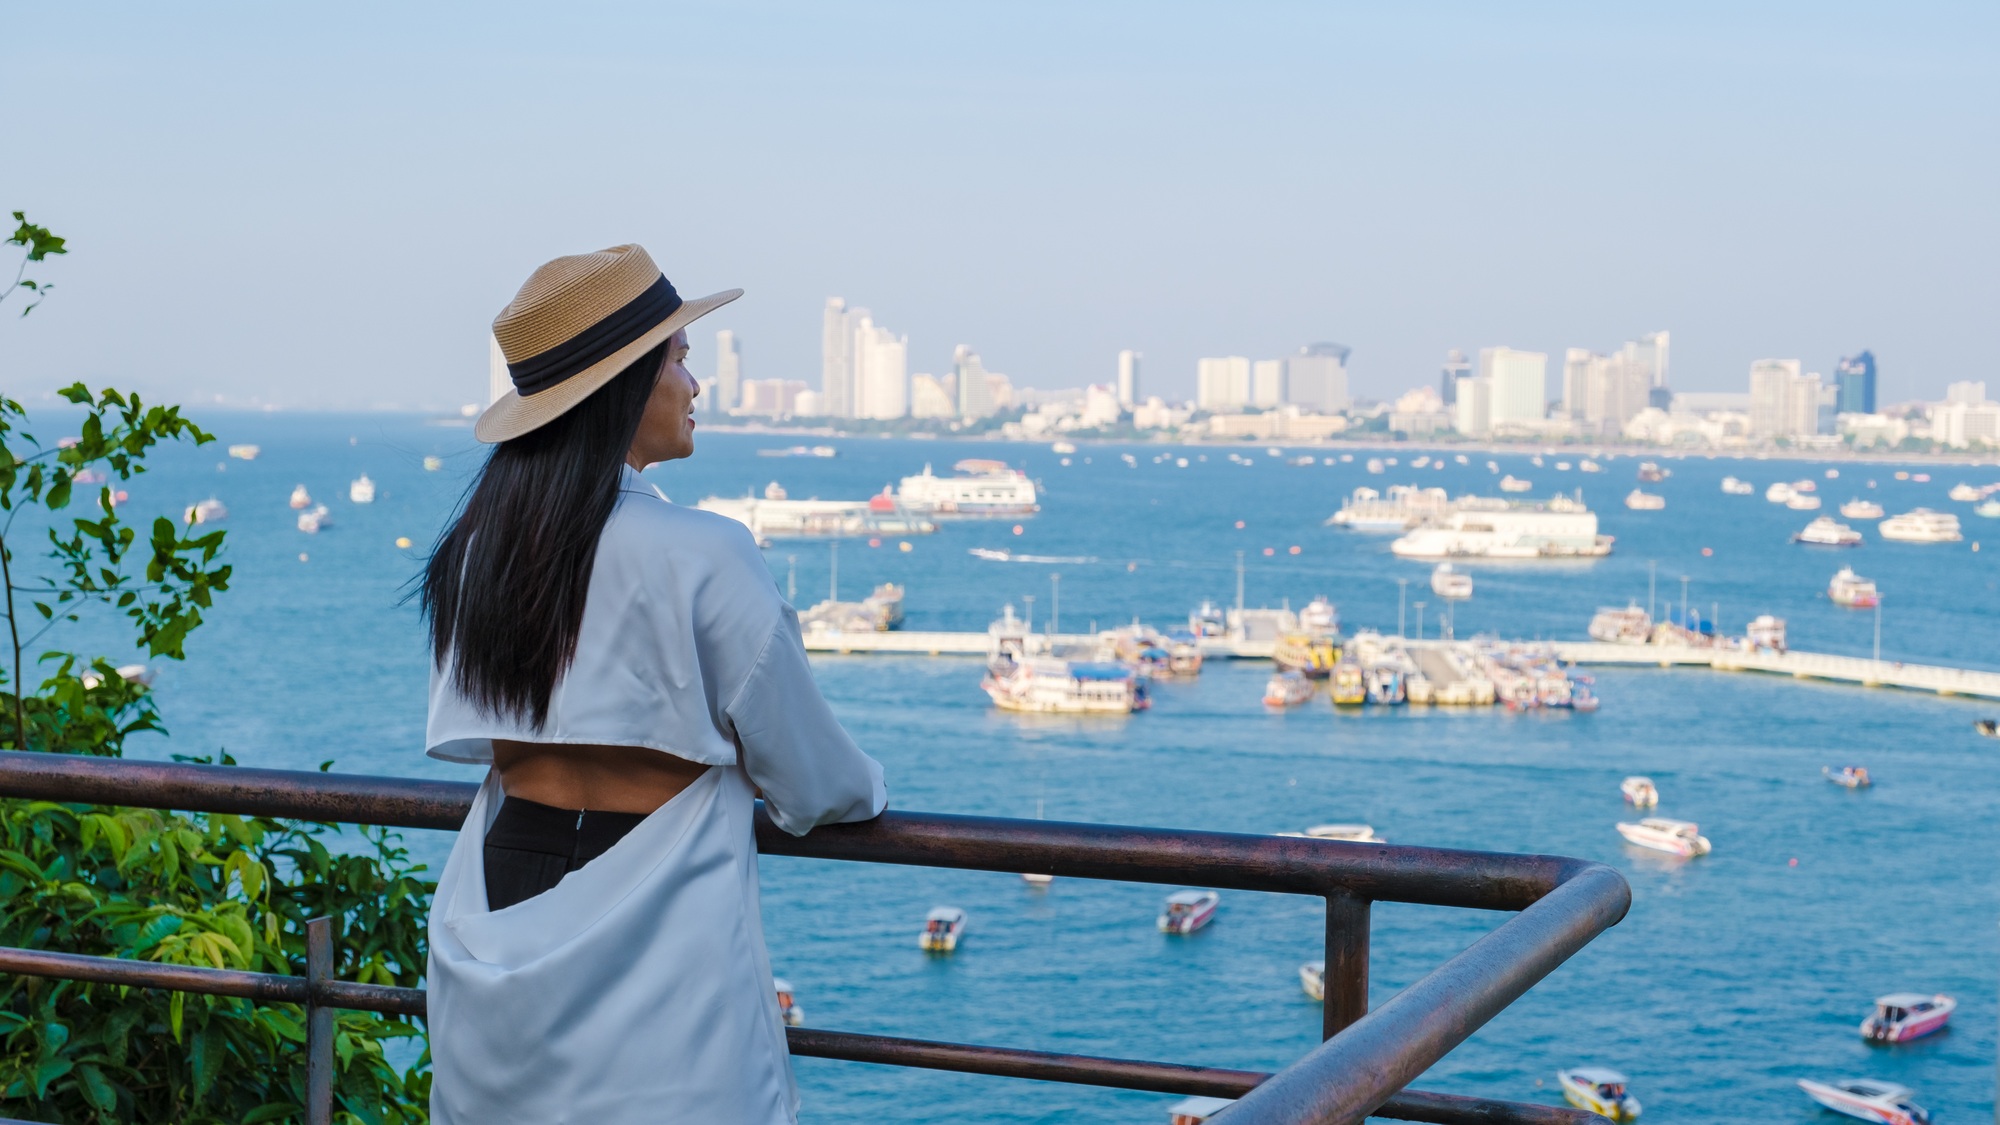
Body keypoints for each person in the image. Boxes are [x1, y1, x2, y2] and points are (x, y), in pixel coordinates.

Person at [419, 244, 887, 1124]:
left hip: (501, 883)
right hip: (660, 923)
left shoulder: (478, 552)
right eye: (678, 357)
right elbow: (818, 786)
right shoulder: (706, 552)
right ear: (625, 386)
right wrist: (868, 786)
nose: (694, 383)